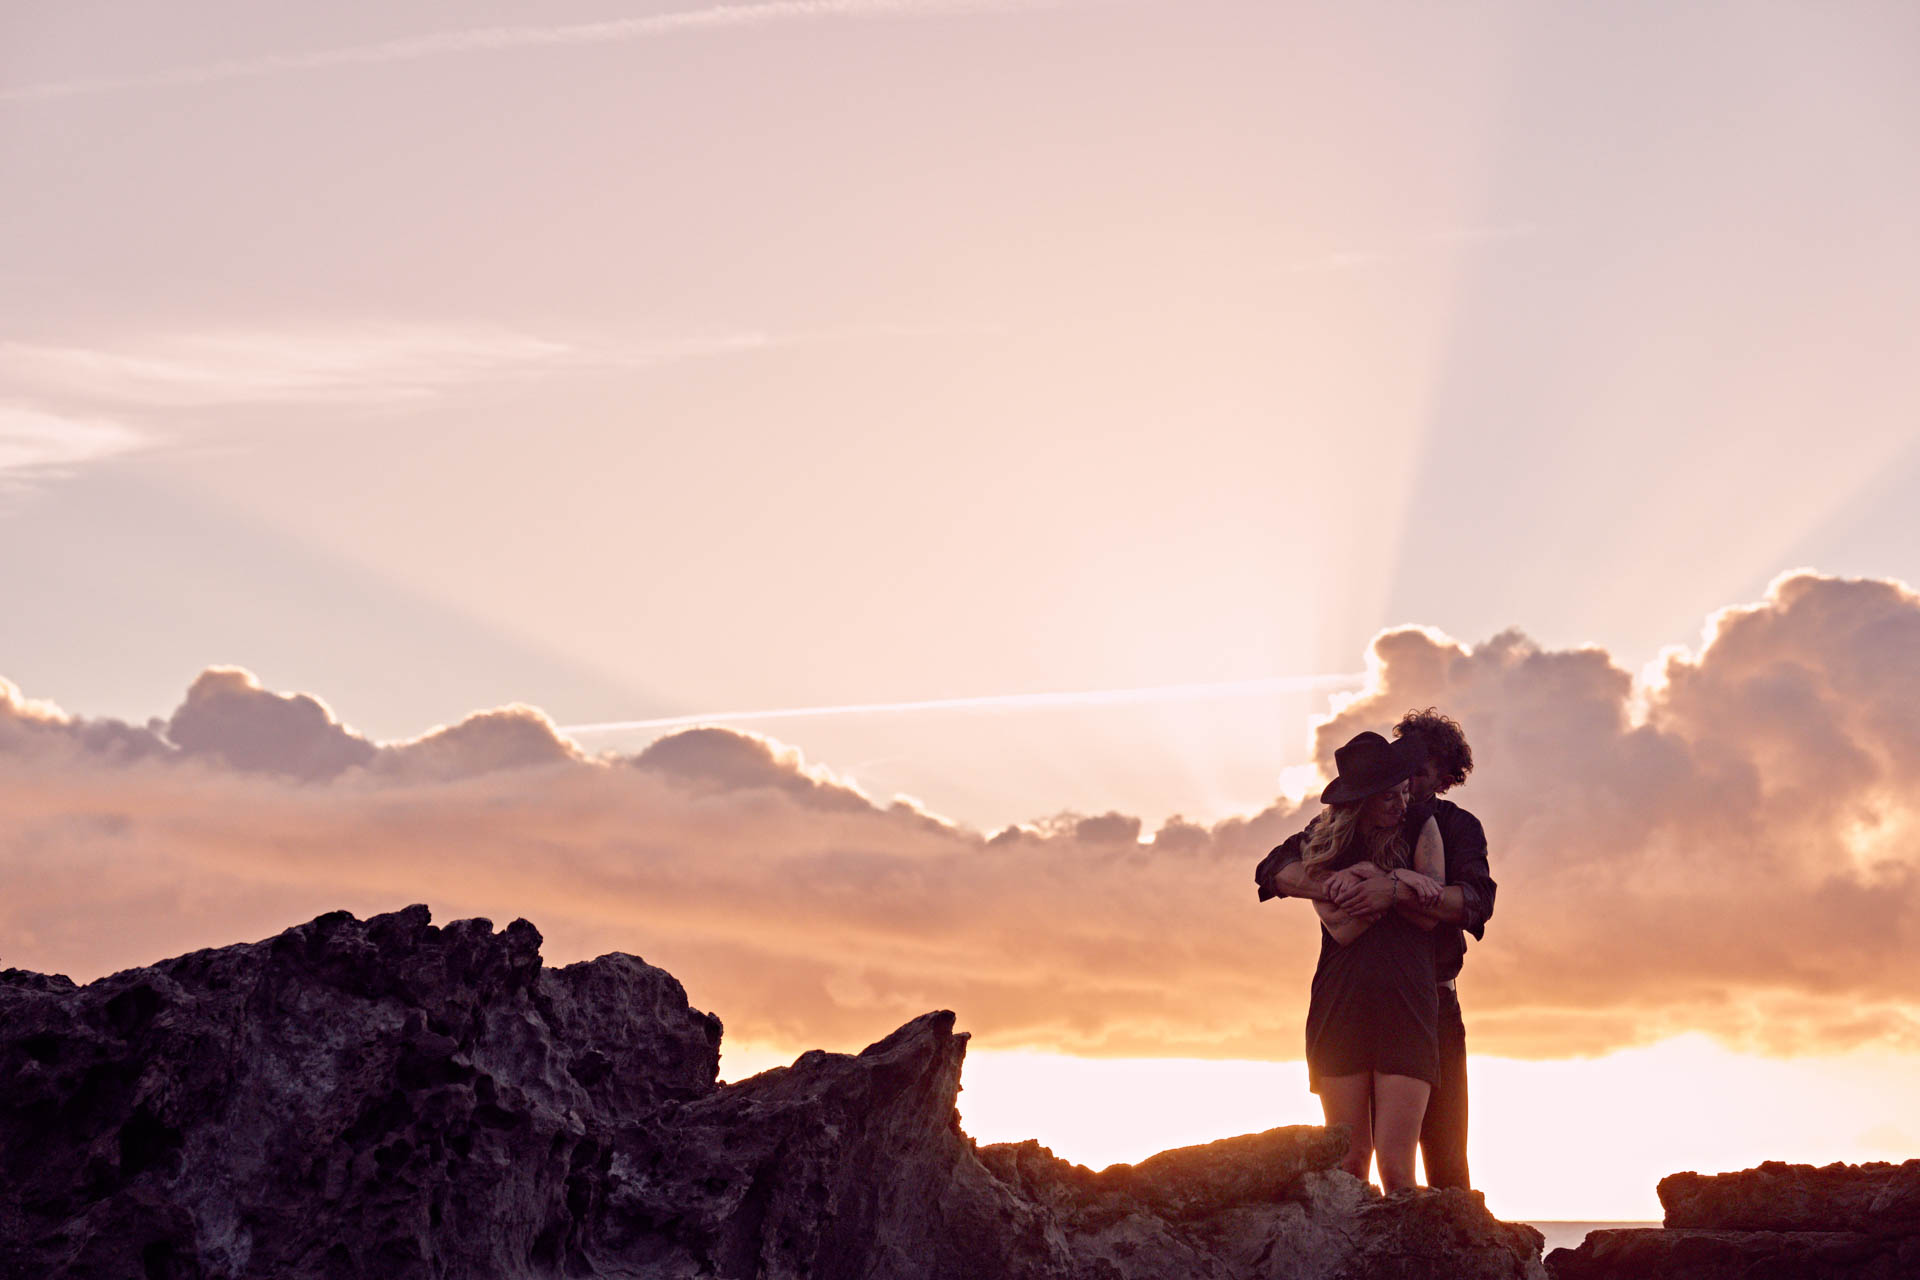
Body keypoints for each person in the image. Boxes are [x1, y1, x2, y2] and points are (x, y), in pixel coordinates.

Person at [1257, 708, 1495, 1189]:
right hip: (1351, 997)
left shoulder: (1454, 826)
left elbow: (1475, 902)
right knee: (1349, 1160)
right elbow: (1274, 868)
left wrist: (1394, 888)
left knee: (1444, 1161)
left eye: (1419, 771)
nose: (1405, 779)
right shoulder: (1346, 822)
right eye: (1400, 764)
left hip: (1429, 1000)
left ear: (1444, 778)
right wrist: (1334, 883)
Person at [1291, 730, 1447, 1192]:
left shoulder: (1423, 825)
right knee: (1350, 1166)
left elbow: (1429, 912)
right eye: (1388, 798)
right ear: (1360, 803)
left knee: (1399, 1171)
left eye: (1403, 791)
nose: (1401, 804)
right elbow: (1344, 927)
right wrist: (1393, 880)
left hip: (1407, 1003)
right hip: (1341, 1007)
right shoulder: (1324, 845)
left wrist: (1386, 881)